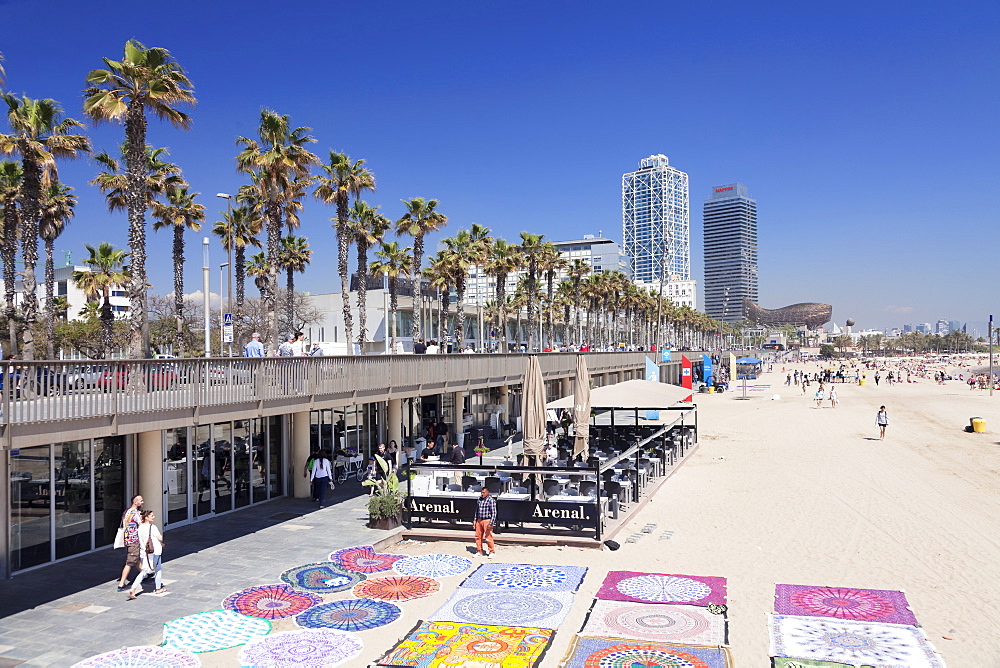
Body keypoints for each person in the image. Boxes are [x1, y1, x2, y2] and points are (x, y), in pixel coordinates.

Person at [128, 510, 165, 599]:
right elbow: (160, 537)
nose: (153, 517)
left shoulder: (139, 528)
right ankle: (158, 588)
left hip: (145, 552)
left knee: (144, 571)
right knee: (158, 569)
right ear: (146, 517)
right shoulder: (152, 527)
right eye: (151, 515)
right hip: (154, 551)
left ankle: (133, 588)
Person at [116, 494, 144, 591]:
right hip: (134, 540)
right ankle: (121, 583)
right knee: (130, 561)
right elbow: (141, 526)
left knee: (136, 558)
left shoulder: (126, 512)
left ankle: (144, 574)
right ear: (135, 502)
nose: (142, 502)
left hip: (127, 539)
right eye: (141, 501)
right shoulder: (136, 514)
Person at [473, 486, 497, 557]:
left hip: (487, 520)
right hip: (479, 520)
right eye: (481, 492)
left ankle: (491, 551)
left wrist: (491, 523)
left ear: (487, 493)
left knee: (488, 537)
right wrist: (475, 520)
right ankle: (479, 550)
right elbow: (476, 511)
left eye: (484, 492)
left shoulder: (491, 500)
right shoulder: (479, 499)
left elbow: (494, 513)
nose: (482, 494)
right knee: (478, 536)